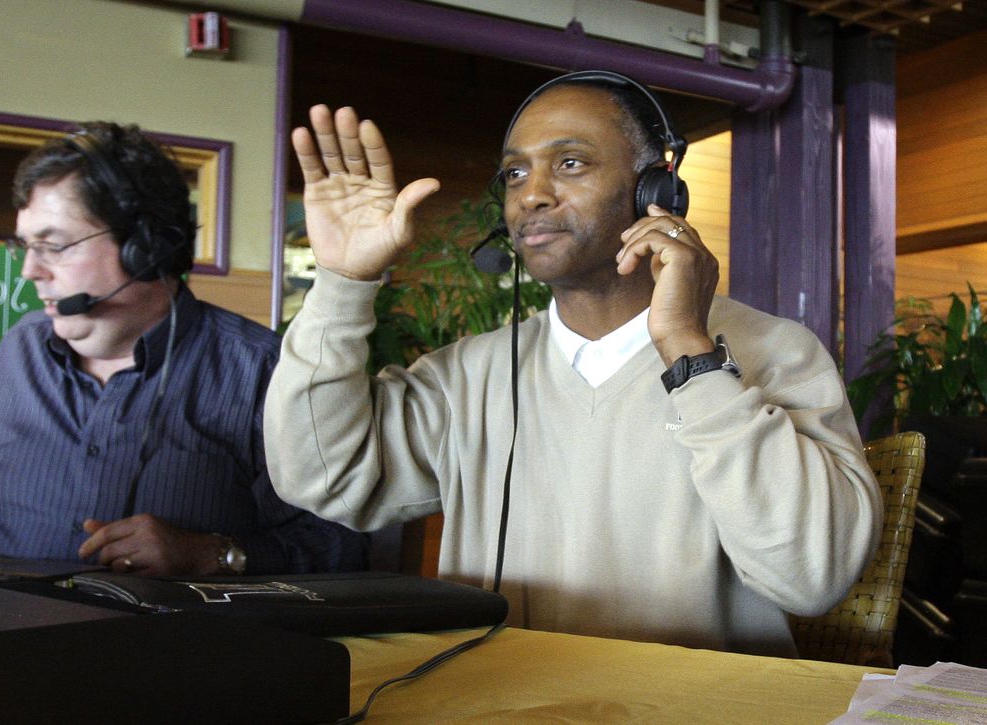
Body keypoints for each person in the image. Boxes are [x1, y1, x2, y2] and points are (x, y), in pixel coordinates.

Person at [264, 72, 882, 656]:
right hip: (496, 706)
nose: (532, 194)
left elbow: (812, 576)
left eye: (570, 163)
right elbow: (321, 476)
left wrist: (689, 352)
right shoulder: (466, 376)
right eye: (515, 173)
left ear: (656, 189)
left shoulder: (777, 351)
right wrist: (343, 282)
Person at [0, 122, 367, 577]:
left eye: (54, 246)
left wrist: (214, 554)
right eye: (25, 246)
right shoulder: (22, 349)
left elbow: (340, 544)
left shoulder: (263, 372)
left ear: (147, 248)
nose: (30, 271)